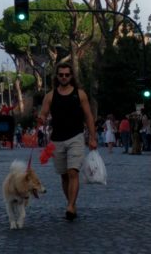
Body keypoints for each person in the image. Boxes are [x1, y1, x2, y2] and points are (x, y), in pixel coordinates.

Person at [38, 62, 97, 221]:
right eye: (61, 75)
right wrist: (41, 118)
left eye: (67, 74)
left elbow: (89, 116)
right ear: (57, 77)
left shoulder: (80, 94)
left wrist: (92, 137)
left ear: (71, 76)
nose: (64, 77)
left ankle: (70, 206)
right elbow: (43, 114)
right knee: (64, 176)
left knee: (73, 172)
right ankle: (71, 203)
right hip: (57, 140)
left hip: (76, 137)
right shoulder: (50, 96)